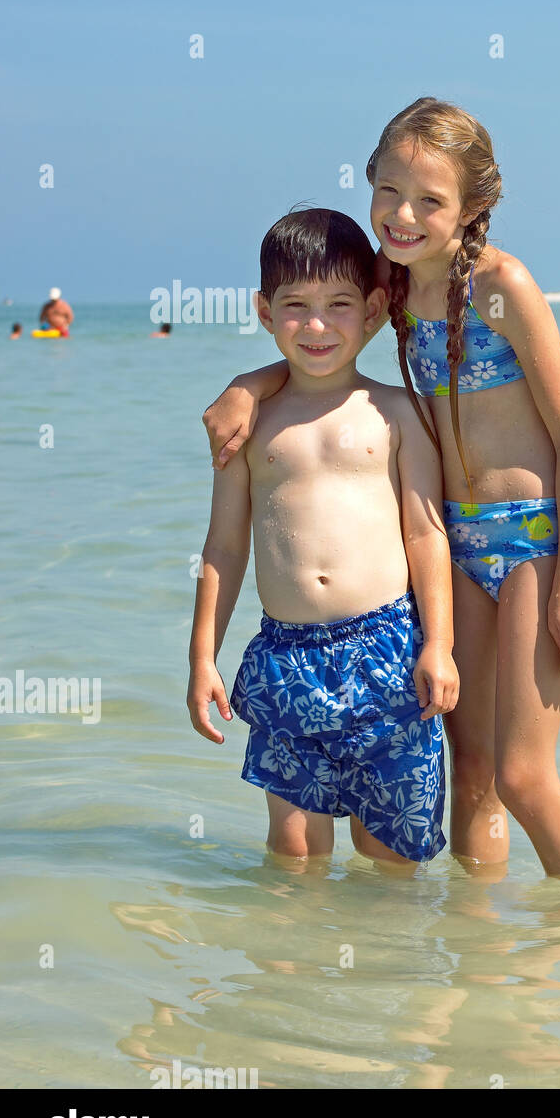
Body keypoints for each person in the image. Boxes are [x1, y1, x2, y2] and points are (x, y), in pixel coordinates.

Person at [203, 99, 560, 882]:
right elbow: (323, 342)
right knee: (475, 767)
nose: (403, 213)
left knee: (524, 775)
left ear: (473, 207)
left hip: (531, 543)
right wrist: (249, 386)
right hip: (452, 540)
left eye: (430, 200)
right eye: (388, 191)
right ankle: (481, 949)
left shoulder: (501, 285)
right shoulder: (391, 285)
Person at [187, 209, 458, 868]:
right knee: (294, 845)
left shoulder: (395, 412)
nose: (316, 325)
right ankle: (289, 970)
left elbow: (426, 532)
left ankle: (393, 969)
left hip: (388, 650)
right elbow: (223, 547)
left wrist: (441, 645)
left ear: (370, 310)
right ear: (263, 310)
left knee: (388, 846)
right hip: (286, 658)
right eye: (296, 306)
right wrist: (201, 656)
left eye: (338, 305)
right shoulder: (249, 429)